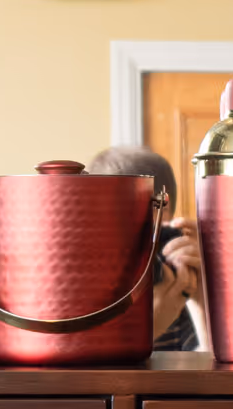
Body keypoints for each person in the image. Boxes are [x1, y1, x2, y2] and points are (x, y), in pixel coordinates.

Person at [86, 144, 206, 352]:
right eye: (125, 206)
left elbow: (212, 371)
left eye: (157, 207)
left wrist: (203, 297)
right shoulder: (84, 295)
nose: (142, 219)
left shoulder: (174, 284)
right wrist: (147, 329)